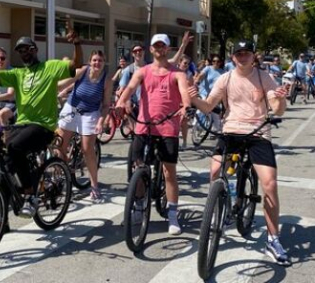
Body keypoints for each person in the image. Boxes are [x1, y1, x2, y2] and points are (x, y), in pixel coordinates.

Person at [188, 39, 291, 266]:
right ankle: (219, 207)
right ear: (233, 57)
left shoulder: (264, 77)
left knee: (270, 184)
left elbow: (277, 109)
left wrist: (281, 99)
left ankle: (273, 239)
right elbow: (207, 106)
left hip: (258, 133)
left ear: (253, 56)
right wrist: (194, 97)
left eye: (247, 53)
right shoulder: (225, 79)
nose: (243, 56)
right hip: (231, 131)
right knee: (215, 171)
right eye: (239, 54)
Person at [0, 30, 83, 218]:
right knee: (6, 165)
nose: (24, 53)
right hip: (22, 124)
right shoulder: (18, 73)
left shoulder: (50, 66)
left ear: (35, 49)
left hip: (43, 126)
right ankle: (2, 219)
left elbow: (76, 64)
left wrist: (77, 44)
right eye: (21, 51)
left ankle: (30, 195)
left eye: (28, 49)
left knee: (14, 147)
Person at [116, 33, 191, 235]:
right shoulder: (143, 71)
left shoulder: (177, 73)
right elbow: (130, 87)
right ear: (151, 49)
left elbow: (184, 92)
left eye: (163, 46)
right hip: (144, 127)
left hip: (168, 128)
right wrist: (122, 101)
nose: (159, 49)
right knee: (138, 168)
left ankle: (173, 215)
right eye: (156, 46)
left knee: (169, 172)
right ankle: (139, 207)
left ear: (168, 49)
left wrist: (186, 106)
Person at [57, 50, 113, 201]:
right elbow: (66, 83)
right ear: (90, 61)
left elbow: (106, 105)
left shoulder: (107, 81)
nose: (97, 63)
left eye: (100, 60)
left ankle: (94, 186)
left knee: (88, 149)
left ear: (104, 63)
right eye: (94, 60)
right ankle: (63, 174)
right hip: (72, 108)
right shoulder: (82, 71)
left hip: (90, 113)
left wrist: (101, 121)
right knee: (59, 146)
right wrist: (51, 87)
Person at [177, 54, 194, 151]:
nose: (186, 65)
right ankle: (174, 140)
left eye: (188, 64)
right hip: (174, 100)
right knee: (175, 122)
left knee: (183, 122)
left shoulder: (189, 74)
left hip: (184, 101)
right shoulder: (173, 72)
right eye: (185, 63)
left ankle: (184, 142)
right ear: (179, 62)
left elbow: (191, 88)